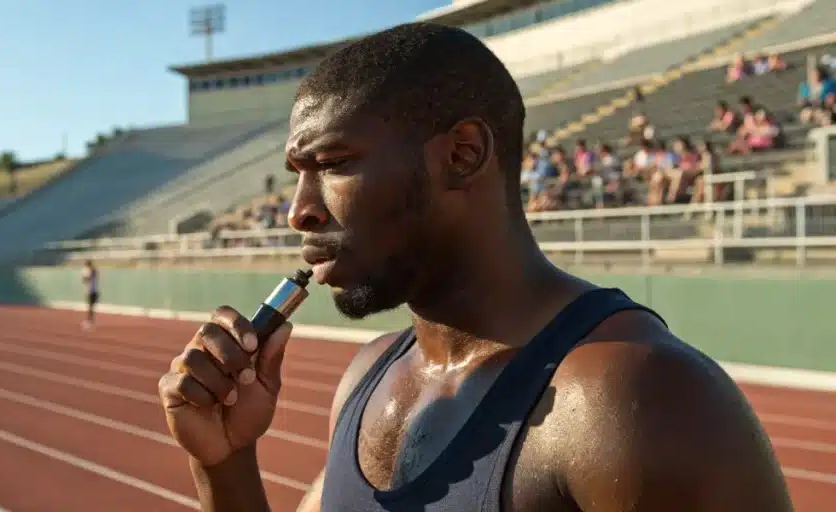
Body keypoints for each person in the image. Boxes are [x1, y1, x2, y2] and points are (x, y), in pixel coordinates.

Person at [158, 23, 792, 511]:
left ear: (461, 155)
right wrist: (226, 462)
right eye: (297, 175)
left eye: (334, 163)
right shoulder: (367, 377)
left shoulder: (637, 399)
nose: (299, 212)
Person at [80, 259, 99, 329]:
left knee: (90, 307)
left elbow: (86, 279)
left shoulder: (92, 271)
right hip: (92, 291)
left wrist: (84, 276)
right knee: (91, 307)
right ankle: (90, 321)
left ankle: (89, 322)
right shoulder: (93, 270)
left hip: (91, 291)